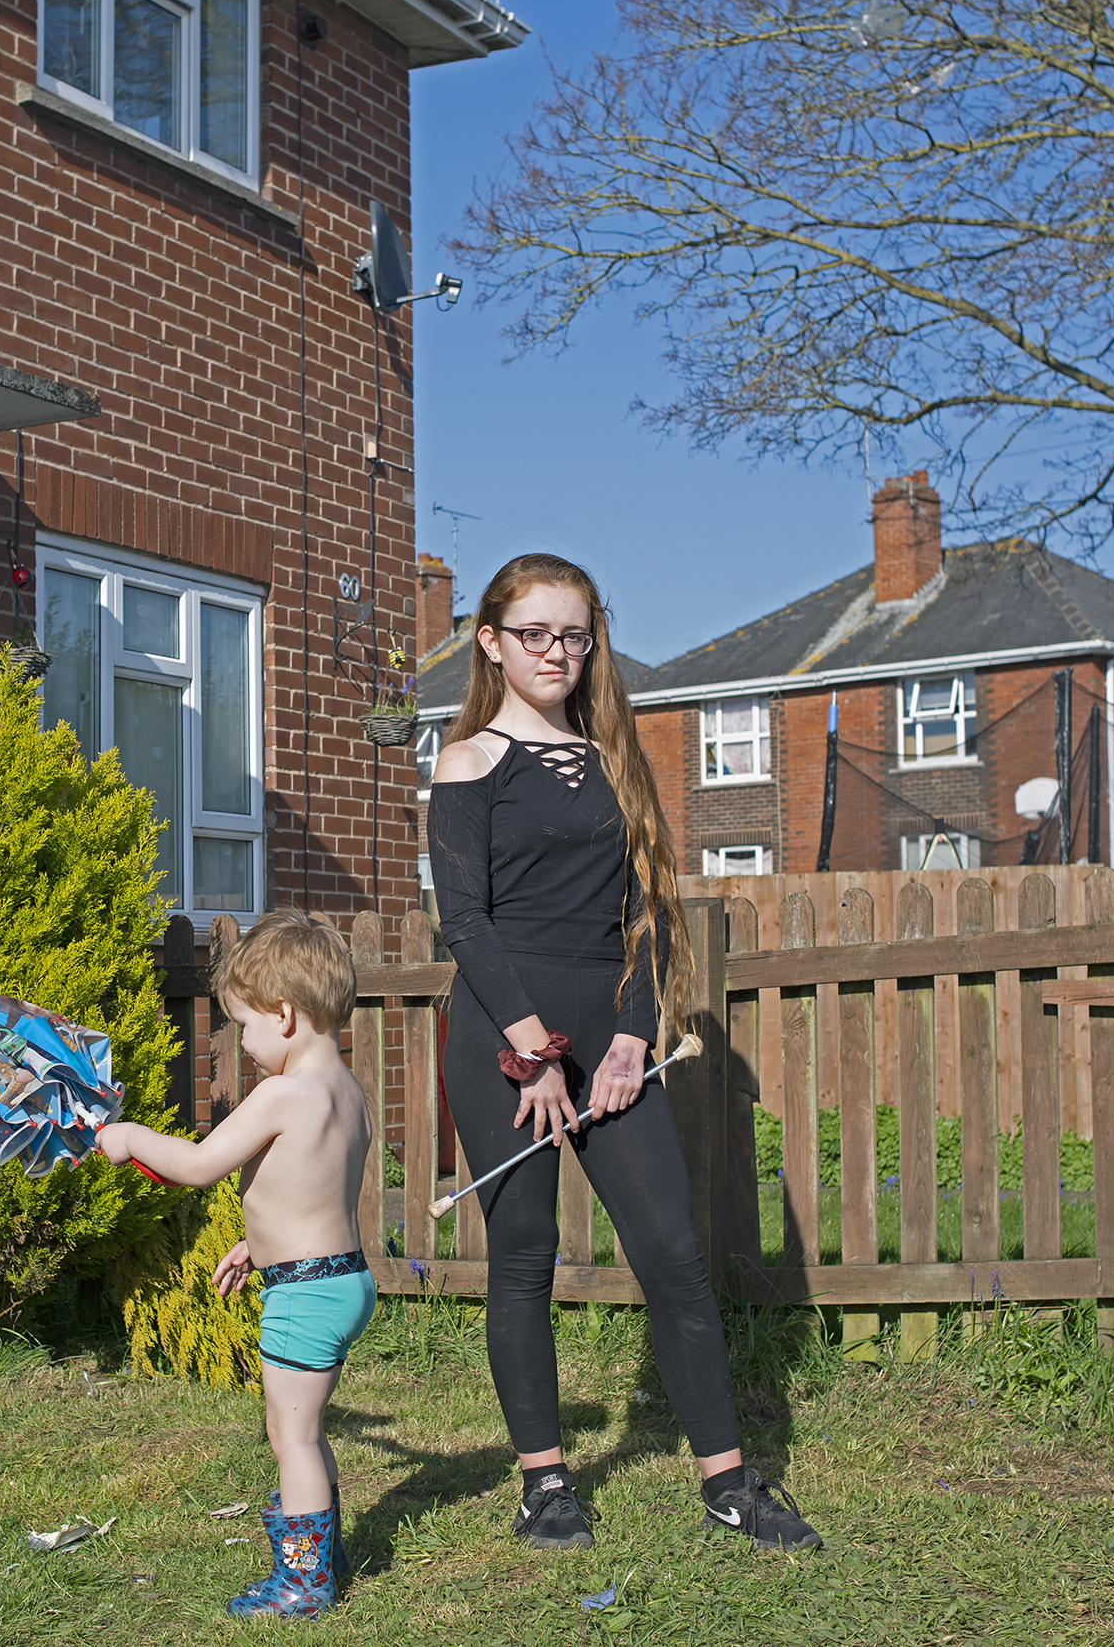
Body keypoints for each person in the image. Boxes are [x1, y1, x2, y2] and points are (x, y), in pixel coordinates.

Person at [429, 552, 821, 1554]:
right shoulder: (465, 759)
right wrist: (535, 1053)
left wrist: (629, 1038)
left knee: (675, 1258)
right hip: (499, 1040)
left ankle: (727, 1481)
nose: (555, 652)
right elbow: (464, 922)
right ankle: (543, 1482)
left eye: (573, 633)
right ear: (490, 642)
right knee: (521, 1260)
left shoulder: (612, 756)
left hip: (610, 1041)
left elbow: (645, 908)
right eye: (534, 634)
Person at [96, 911, 373, 1619]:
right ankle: (326, 1559)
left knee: (293, 1436)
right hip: (340, 1278)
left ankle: (304, 1585)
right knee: (303, 1428)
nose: (243, 1041)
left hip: (305, 1295)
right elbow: (318, 1187)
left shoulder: (282, 1092)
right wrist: (263, 1244)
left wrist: (130, 1136)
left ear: (283, 1016)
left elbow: (195, 1165)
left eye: (244, 1024)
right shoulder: (348, 1090)